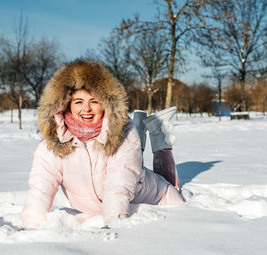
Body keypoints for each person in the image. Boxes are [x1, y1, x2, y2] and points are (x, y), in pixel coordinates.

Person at [21, 60, 184, 229]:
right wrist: (30, 226)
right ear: (66, 105)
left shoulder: (122, 131)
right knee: (135, 161)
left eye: (94, 101)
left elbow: (118, 185)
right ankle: (142, 124)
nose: (87, 109)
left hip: (157, 201)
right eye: (78, 102)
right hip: (98, 210)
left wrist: (113, 224)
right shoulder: (56, 138)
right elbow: (41, 186)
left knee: (169, 184)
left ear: (106, 104)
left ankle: (159, 132)